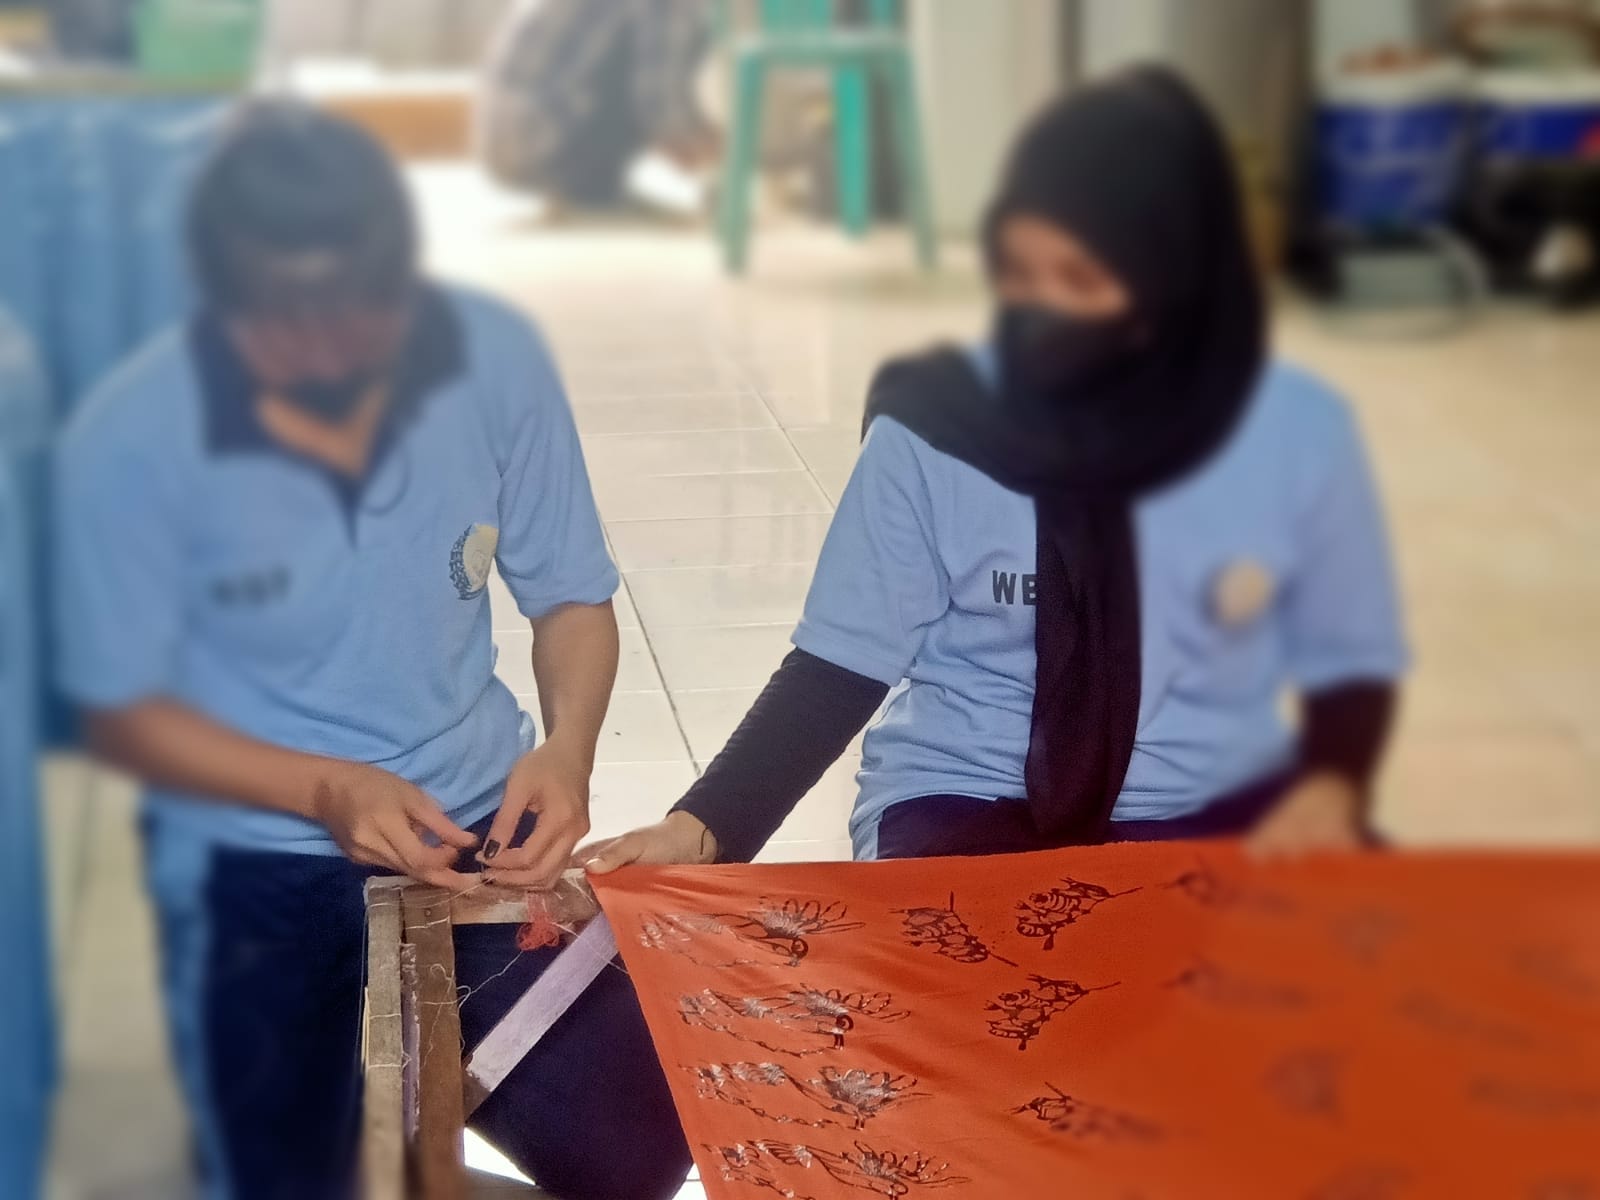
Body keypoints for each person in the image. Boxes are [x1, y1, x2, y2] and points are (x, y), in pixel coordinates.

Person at [54, 101, 691, 1200]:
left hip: (472, 825)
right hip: (247, 842)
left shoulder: (492, 357)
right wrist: (321, 789)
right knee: (286, 1167)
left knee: (637, 1144)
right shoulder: (136, 428)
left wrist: (567, 751)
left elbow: (571, 602)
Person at [581, 67, 1407, 874]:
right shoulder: (939, 429)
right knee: (966, 964)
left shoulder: (1291, 432)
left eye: (1081, 279)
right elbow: (842, 664)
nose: (1046, 313)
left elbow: (1349, 652)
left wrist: (1334, 785)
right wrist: (704, 827)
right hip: (971, 792)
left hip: (1210, 795)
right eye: (1021, 274)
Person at [479, 0, 719, 215]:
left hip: (507, 135)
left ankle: (592, 191)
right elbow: (660, 104)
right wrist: (717, 154)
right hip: (541, 136)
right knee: (672, 50)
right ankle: (591, 189)